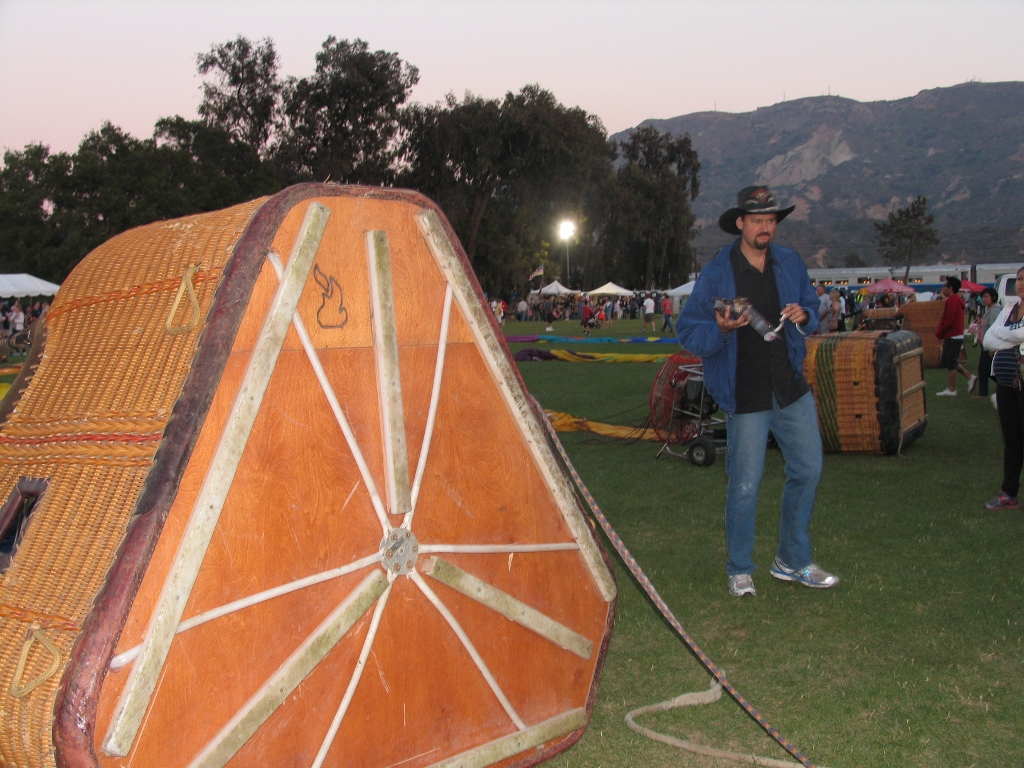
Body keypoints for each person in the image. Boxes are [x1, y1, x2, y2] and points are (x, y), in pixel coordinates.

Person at [677, 185, 839, 597]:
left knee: (809, 469)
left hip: (788, 384)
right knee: (745, 483)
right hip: (744, 389)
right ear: (740, 224)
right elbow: (688, 330)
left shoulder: (789, 262)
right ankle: (740, 568)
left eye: (771, 220)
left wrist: (805, 314)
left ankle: (793, 560)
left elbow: (810, 307)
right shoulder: (718, 271)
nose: (766, 227)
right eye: (758, 221)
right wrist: (720, 328)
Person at [982, 266, 1024, 510]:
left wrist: (1002, 335)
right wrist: (1014, 335)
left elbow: (997, 338)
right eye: (1019, 279)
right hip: (1007, 383)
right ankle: (1008, 493)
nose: (1021, 283)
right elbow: (987, 339)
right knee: (1011, 439)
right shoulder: (1009, 309)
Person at [934, 276, 977, 396]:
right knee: (949, 361)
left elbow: (949, 320)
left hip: (952, 335)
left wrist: (940, 333)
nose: (942, 288)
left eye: (944, 286)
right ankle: (969, 377)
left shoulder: (952, 300)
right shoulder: (955, 300)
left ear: (950, 288)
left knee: (950, 362)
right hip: (955, 335)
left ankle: (953, 389)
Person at [976, 287, 1001, 399]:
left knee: (987, 369)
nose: (983, 299)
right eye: (982, 297)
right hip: (986, 345)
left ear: (993, 297)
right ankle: (983, 393)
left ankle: (1006, 385)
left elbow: (995, 329)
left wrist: (994, 346)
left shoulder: (995, 310)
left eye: (986, 296)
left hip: (991, 346)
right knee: (983, 369)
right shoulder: (989, 310)